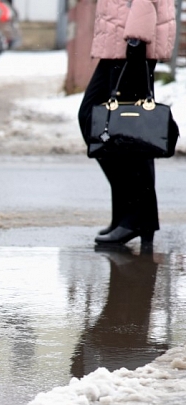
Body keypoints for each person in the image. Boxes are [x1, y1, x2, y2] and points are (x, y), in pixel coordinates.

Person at [77, 0, 176, 247]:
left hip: (131, 43)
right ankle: (129, 215)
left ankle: (134, 219)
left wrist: (137, 39)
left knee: (127, 132)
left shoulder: (134, 40)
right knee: (120, 130)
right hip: (120, 42)